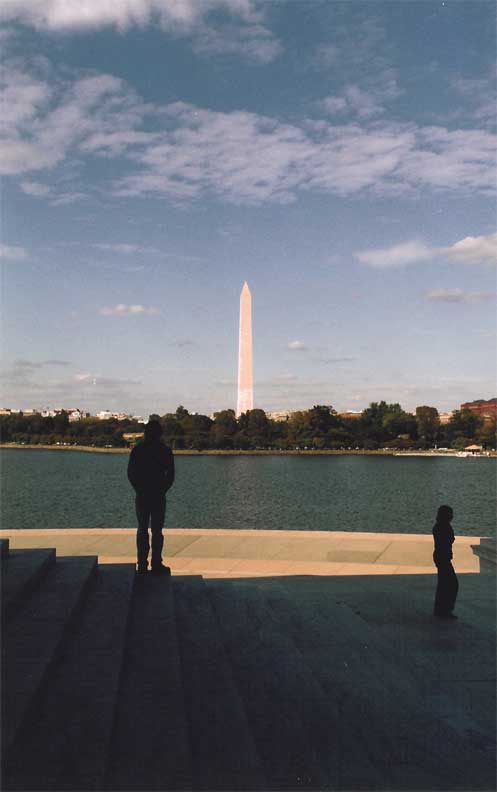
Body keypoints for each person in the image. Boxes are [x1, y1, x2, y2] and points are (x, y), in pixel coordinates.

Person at [127, 419, 175, 574]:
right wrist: (163, 489)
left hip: (143, 494)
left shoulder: (138, 450)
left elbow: (131, 473)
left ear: (146, 433)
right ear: (160, 434)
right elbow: (171, 475)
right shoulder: (165, 450)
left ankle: (142, 564)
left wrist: (139, 489)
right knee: (157, 531)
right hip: (157, 494)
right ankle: (156, 562)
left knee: (142, 529)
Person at [432, 504, 459, 619]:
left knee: (444, 584)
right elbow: (448, 540)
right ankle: (445, 609)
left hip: (441, 557)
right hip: (443, 558)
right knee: (451, 584)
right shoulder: (443, 527)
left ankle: (441, 609)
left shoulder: (440, 526)